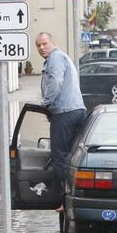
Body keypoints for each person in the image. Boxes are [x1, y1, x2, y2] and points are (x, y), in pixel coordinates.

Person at [36, 32, 86, 211]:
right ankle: (78, 197)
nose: (41, 48)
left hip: (64, 113)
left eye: (44, 44)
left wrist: (45, 103)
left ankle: (64, 202)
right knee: (74, 157)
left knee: (60, 157)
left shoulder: (55, 58)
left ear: (52, 43)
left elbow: (56, 81)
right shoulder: (63, 57)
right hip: (78, 110)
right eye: (38, 46)